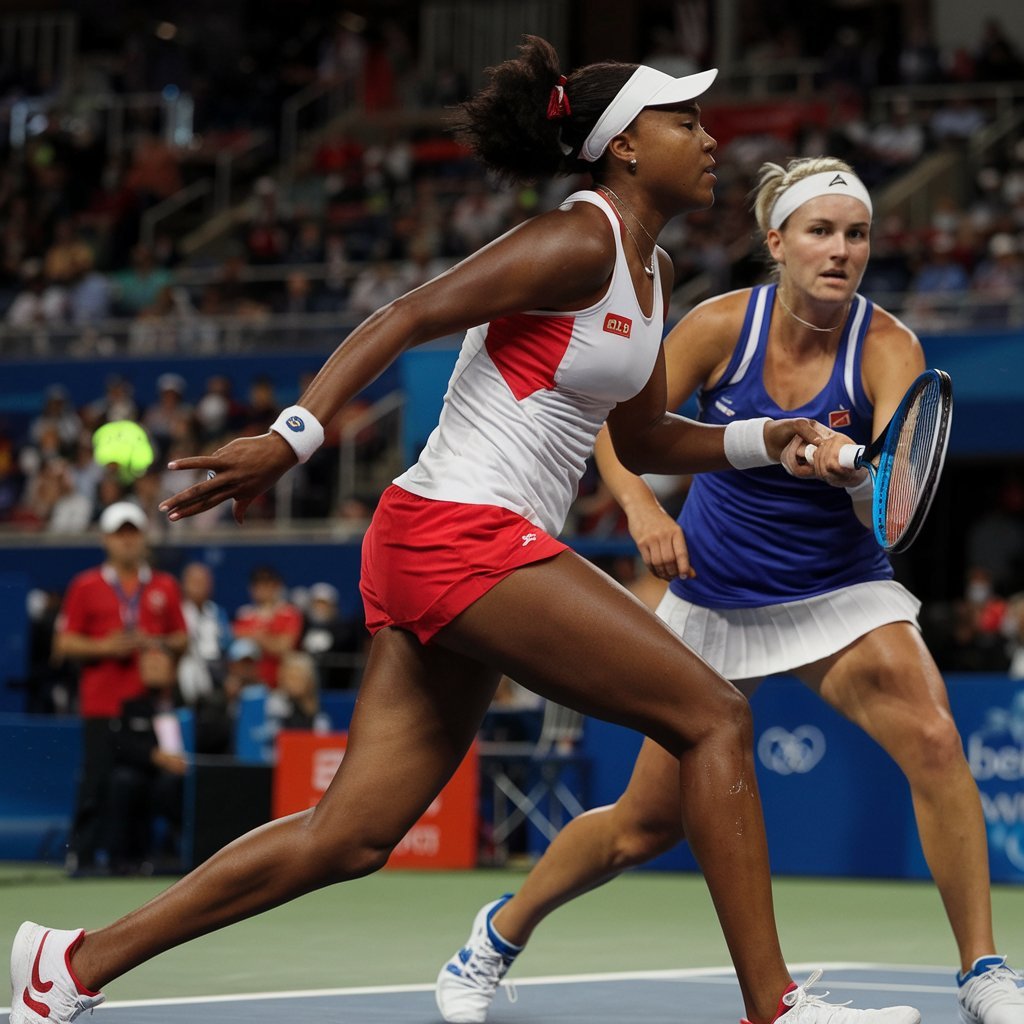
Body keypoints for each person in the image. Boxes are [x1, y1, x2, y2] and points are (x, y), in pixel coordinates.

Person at [10, 40, 916, 1024]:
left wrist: (765, 437)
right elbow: (407, 313)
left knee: (351, 836)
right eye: (684, 122)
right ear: (622, 147)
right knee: (712, 716)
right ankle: (773, 1006)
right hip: (459, 532)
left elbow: (645, 435)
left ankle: (73, 962)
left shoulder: (649, 277)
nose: (710, 139)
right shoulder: (577, 240)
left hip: (451, 545)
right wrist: (291, 434)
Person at [434, 156, 1024, 1024]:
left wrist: (850, 474)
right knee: (644, 827)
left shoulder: (890, 345)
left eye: (856, 234)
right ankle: (494, 937)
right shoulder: (717, 327)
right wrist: (641, 511)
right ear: (776, 241)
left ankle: (982, 972)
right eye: (820, 232)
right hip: (712, 594)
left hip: (838, 592)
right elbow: (615, 424)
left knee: (936, 738)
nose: (841, 250)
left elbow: (894, 494)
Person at [52, 501, 188, 876]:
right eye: (119, 534)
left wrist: (154, 641)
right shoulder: (85, 585)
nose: (127, 541)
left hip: (151, 706)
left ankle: (142, 857)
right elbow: (64, 644)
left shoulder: (164, 584)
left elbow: (181, 639)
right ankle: (81, 855)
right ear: (106, 540)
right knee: (98, 781)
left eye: (133, 533)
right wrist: (106, 646)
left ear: (143, 538)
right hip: (102, 704)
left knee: (152, 781)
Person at [105, 643, 188, 875]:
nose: (151, 670)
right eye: (147, 665)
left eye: (157, 665)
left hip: (181, 774)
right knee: (124, 780)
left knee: (174, 785)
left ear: (173, 670)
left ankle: (176, 854)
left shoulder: (188, 704)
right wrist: (155, 756)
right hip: (144, 772)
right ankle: (124, 858)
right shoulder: (131, 707)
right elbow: (122, 745)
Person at [231, 564, 304, 688]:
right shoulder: (244, 614)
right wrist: (267, 639)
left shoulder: (289, 613)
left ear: (277, 586)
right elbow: (234, 640)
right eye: (258, 584)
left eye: (268, 584)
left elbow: (284, 647)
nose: (263, 589)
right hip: (250, 683)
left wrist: (254, 636)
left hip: (281, 684)